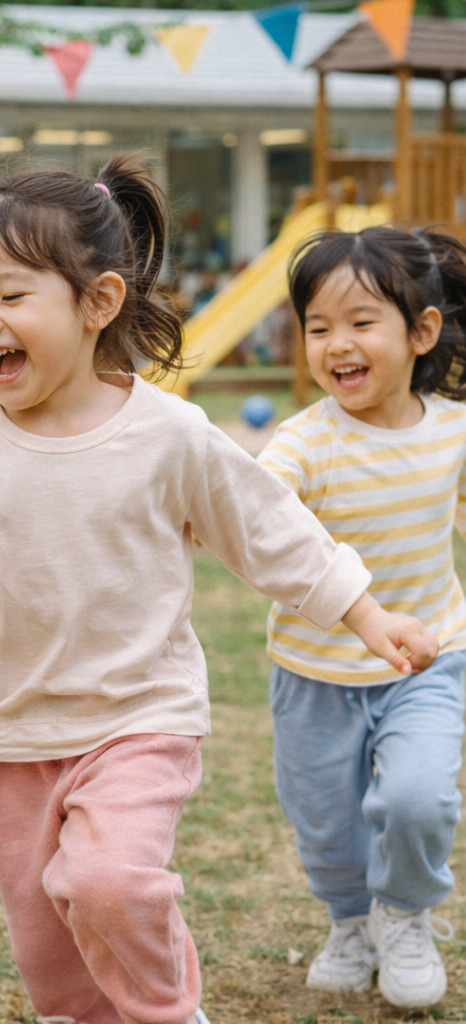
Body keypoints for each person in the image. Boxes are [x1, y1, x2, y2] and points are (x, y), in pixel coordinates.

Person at [0, 157, 437, 1024]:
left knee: (110, 886)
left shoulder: (168, 435)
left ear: (98, 302)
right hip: (5, 732)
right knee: (48, 947)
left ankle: (170, 1010)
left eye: (11, 296)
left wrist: (365, 613)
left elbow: (272, 532)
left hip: (137, 717)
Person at [258, 226, 466, 1010]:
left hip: (428, 660)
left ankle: (406, 915)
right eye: (318, 327)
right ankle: (350, 920)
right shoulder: (303, 445)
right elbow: (256, 511)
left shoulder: (453, 428)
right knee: (327, 824)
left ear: (422, 332)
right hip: (313, 675)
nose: (336, 344)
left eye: (360, 322)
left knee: (418, 798)